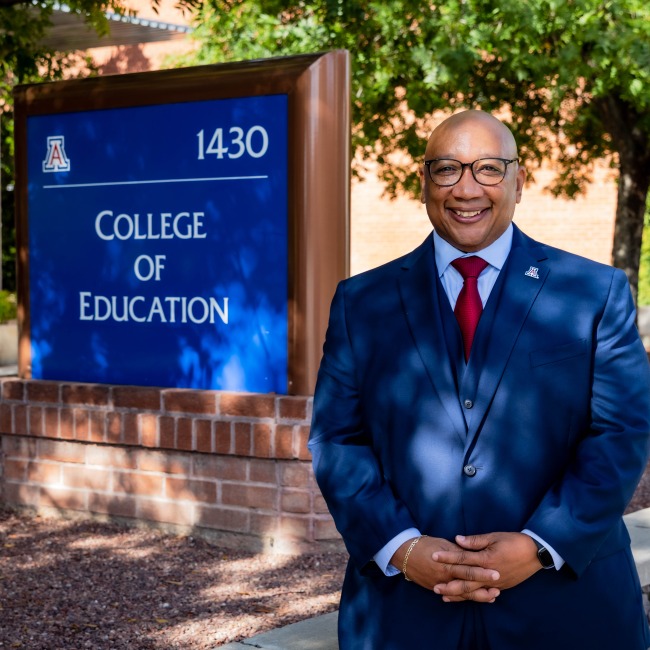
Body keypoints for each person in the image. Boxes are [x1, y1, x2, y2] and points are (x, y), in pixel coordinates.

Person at [308, 109, 650, 650]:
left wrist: (541, 543)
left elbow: (622, 432)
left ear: (519, 178)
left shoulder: (594, 293)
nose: (467, 188)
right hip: (406, 613)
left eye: (489, 168)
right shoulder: (360, 303)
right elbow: (337, 440)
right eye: (447, 168)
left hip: (567, 608)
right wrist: (401, 548)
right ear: (424, 181)